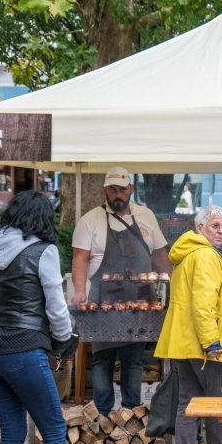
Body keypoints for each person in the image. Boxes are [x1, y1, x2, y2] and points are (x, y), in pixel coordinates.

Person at [0, 191, 76, 444]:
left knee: (11, 435)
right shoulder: (44, 251)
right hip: (25, 349)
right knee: (53, 429)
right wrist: (64, 339)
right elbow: (56, 305)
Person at [71, 167, 171, 417]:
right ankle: (103, 413)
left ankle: (131, 412)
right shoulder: (90, 220)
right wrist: (79, 291)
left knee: (134, 358)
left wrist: (175, 284)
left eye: (122, 190)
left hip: (141, 300)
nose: (118, 195)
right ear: (105, 190)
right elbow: (80, 259)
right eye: (113, 190)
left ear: (131, 190)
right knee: (103, 357)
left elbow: (160, 254)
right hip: (103, 301)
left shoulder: (146, 216)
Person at [154, 205, 222, 444]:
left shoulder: (188, 253)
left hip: (183, 342)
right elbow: (204, 304)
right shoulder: (205, 255)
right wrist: (211, 341)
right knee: (216, 404)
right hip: (206, 345)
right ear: (199, 227)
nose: (220, 231)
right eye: (215, 226)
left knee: (188, 404)